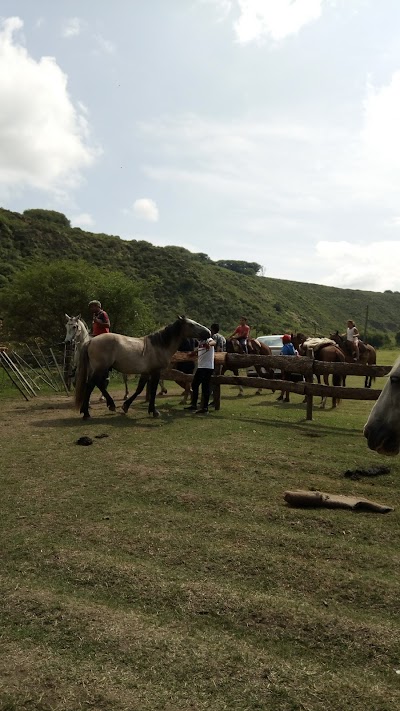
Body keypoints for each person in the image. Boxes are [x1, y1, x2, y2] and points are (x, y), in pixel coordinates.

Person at [184, 334, 216, 414]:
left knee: (205, 387)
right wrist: (193, 353)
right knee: (195, 385)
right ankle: (194, 404)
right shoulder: (200, 342)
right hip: (201, 367)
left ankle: (205, 408)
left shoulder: (208, 339)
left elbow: (214, 342)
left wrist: (209, 344)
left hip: (207, 367)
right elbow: (199, 350)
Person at [277, 334, 298, 402]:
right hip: (285, 365)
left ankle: (287, 397)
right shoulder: (288, 346)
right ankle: (282, 395)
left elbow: (285, 356)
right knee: (284, 380)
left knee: (286, 380)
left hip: (287, 366)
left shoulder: (288, 346)